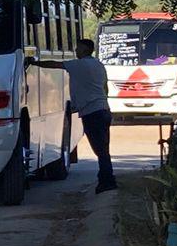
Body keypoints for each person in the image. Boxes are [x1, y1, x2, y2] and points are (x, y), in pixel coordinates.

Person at [30, 38, 116, 193]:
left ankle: (107, 180)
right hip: (103, 109)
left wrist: (34, 63)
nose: (76, 51)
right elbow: (105, 87)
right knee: (103, 147)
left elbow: (55, 65)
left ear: (85, 50)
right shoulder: (98, 65)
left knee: (99, 149)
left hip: (91, 112)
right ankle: (106, 178)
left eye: (78, 48)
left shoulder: (79, 65)